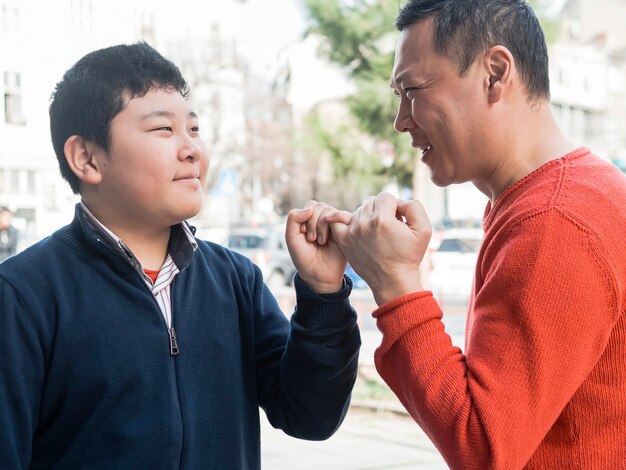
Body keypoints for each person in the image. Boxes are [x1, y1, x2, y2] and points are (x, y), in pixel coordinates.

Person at [0, 42, 360, 469]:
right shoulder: (22, 296)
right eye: (163, 130)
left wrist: (322, 294)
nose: (192, 149)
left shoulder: (235, 280)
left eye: (193, 129)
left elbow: (310, 415)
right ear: (86, 158)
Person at [304, 0, 626, 468]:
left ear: (495, 74)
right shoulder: (578, 192)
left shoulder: (554, 221)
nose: (402, 121)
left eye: (412, 89)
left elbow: (482, 448)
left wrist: (396, 284)